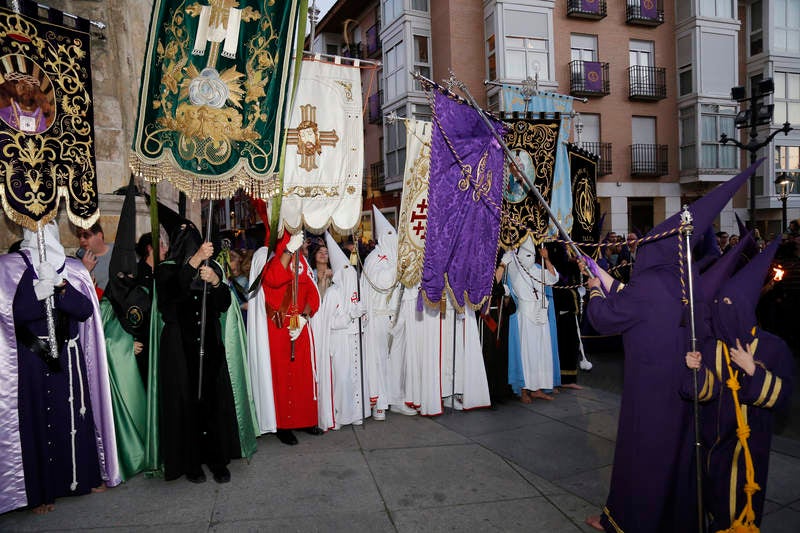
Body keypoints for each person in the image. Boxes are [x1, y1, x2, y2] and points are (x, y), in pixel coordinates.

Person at [581, 162, 758, 533]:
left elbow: (605, 317)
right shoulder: (684, 283)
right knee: (677, 455)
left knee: (642, 456)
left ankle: (629, 521)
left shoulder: (649, 286)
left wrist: (593, 289)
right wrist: (604, 276)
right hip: (682, 387)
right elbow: (635, 302)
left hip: (649, 391)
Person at [0, 221, 120, 514]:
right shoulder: (16, 270)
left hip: (68, 357)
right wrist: (37, 295)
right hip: (33, 359)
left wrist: (60, 290)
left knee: (76, 418)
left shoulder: (70, 268)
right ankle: (42, 494)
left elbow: (84, 310)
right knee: (40, 421)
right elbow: (15, 316)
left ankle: (85, 478)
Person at [686, 239, 794, 531]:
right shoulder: (712, 346)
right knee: (710, 501)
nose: (724, 311)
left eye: (731, 305)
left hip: (747, 446)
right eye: (720, 305)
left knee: (738, 508)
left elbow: (783, 398)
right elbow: (704, 393)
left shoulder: (773, 348)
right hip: (711, 442)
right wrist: (693, 370)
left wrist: (752, 371)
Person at [155, 222, 244, 483]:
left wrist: (216, 283)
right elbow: (169, 299)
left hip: (208, 344)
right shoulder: (167, 271)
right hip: (180, 349)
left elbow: (224, 303)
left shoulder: (212, 269)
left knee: (212, 404)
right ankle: (190, 463)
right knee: (186, 406)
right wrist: (193, 262)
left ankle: (217, 460)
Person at [261, 231, 322, 445]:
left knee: (303, 374)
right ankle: (283, 425)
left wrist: (305, 318)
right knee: (282, 376)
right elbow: (275, 279)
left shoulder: (303, 262)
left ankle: (305, 419)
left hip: (299, 323)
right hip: (278, 326)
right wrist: (287, 251)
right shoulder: (270, 263)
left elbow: (313, 294)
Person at [316, 231, 370, 429]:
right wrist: (350, 315)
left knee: (356, 377)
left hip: (355, 338)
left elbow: (363, 315)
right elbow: (329, 322)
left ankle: (356, 413)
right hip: (340, 341)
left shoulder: (356, 290)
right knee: (343, 379)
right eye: (345, 270)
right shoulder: (333, 294)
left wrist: (362, 315)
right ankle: (339, 415)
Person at [503, 236, 559, 402]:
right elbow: (510, 252)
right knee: (527, 353)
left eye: (532, 255)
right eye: (526, 255)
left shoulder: (536, 269)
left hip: (541, 315)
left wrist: (546, 258)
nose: (530, 258)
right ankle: (525, 389)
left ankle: (539, 388)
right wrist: (516, 239)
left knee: (542, 352)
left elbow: (553, 278)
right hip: (526, 316)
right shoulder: (515, 270)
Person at [77, 222, 114, 292]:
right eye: (79, 236)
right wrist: (85, 270)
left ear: (99, 236)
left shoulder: (117, 250)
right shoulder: (79, 261)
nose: (82, 240)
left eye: (86, 235)